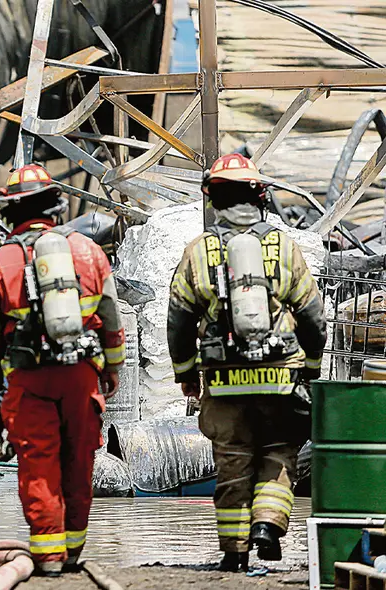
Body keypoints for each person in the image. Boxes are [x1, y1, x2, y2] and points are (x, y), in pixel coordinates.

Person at [167, 153, 326, 571]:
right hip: (280, 377)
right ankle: (268, 526)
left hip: (224, 380)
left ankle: (234, 555)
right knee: (280, 454)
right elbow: (312, 316)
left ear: (212, 198)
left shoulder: (198, 251)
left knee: (232, 463)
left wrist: (186, 374)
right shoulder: (283, 247)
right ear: (260, 197)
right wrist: (310, 368)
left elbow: (178, 319)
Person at [0, 164, 124, 574]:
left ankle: (48, 558)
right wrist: (113, 368)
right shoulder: (88, 252)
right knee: (79, 463)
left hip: (29, 380)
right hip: (82, 375)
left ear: (11, 212)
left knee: (39, 465)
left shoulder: (3, 261)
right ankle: (73, 553)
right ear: (57, 206)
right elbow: (112, 318)